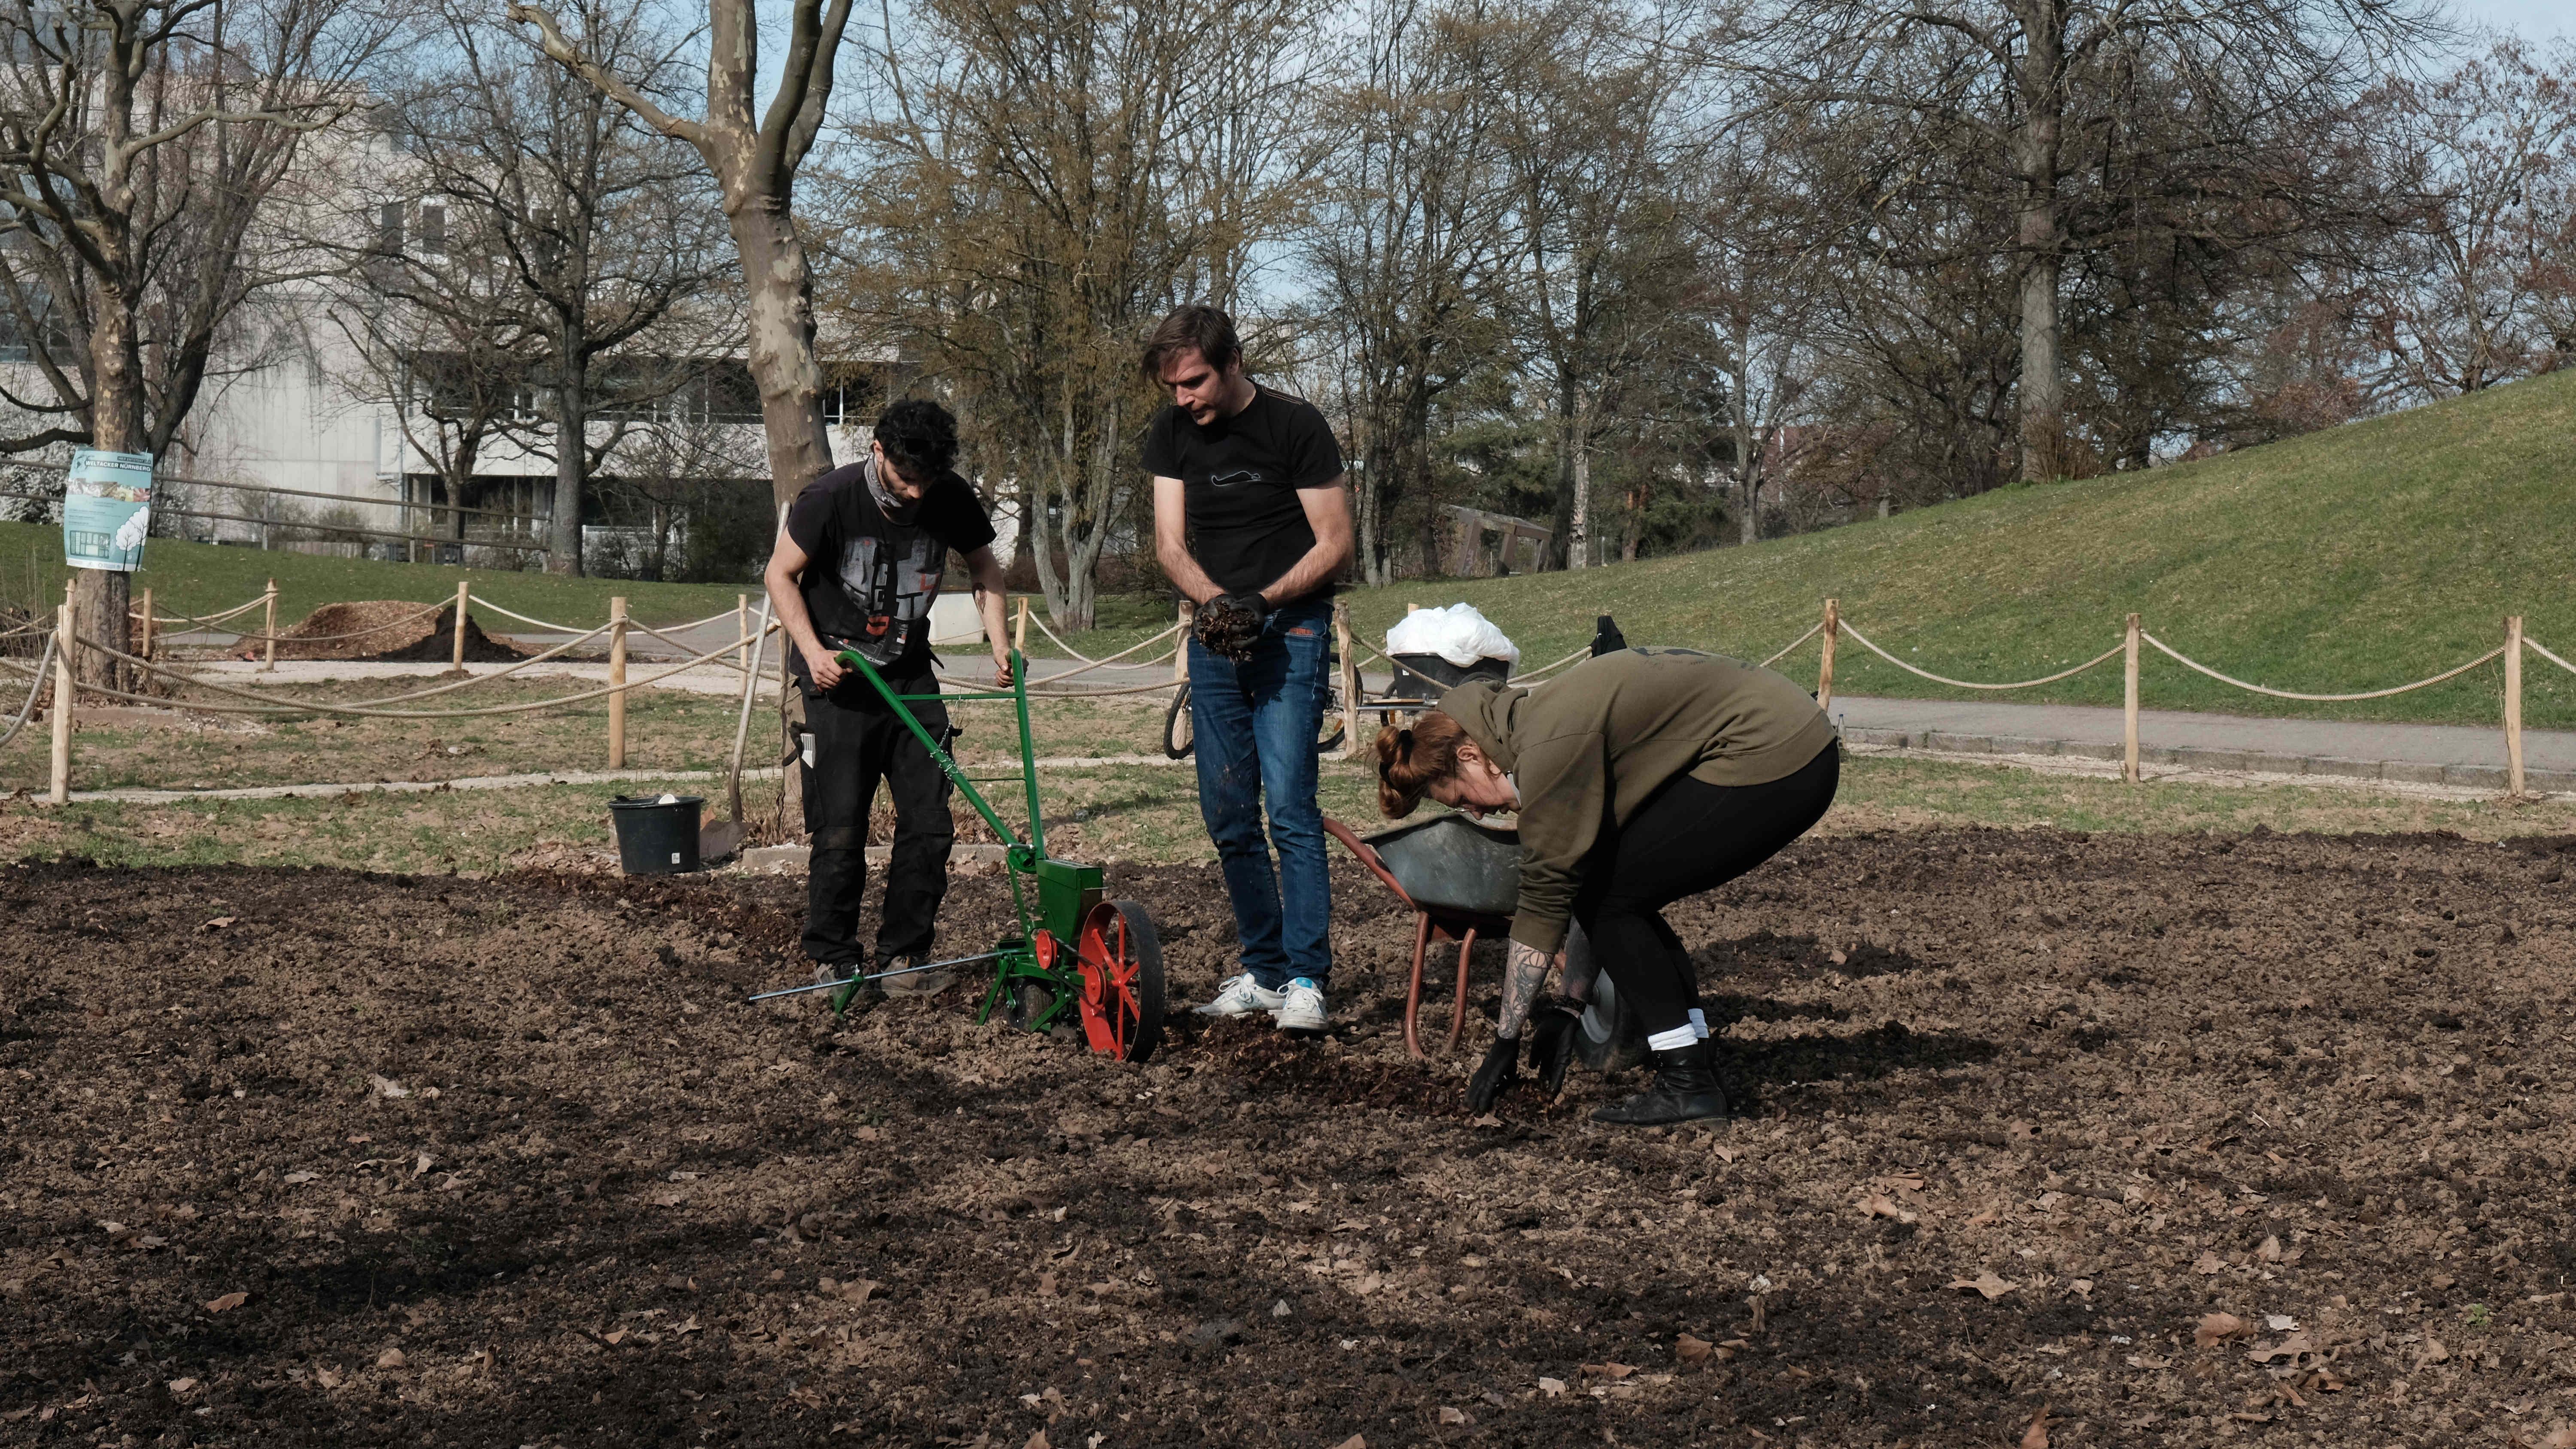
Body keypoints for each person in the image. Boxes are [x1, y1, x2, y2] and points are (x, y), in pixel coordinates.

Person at [1372, 647, 1840, 1125]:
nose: (1474, 812)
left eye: (1461, 798)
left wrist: (1504, 1042)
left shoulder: (1548, 748)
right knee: (1619, 890)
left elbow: (1544, 903)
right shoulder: (1536, 724)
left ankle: (1687, 1083)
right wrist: (1570, 1007)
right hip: (1787, 738)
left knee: (1614, 898)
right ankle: (1692, 1061)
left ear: (1470, 755)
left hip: (1776, 752)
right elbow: (1587, 877)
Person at [1141, 304, 1354, 1033]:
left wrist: (1259, 602)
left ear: (1232, 363)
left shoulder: (1297, 426)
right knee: (1228, 813)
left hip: (1292, 629)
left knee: (1290, 807)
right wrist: (1218, 608)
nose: (1184, 399)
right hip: (1216, 639)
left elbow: (1334, 544)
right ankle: (1262, 972)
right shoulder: (1172, 432)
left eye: (1195, 382)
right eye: (1173, 387)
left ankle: (1306, 978)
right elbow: (1170, 545)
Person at [764, 399, 1013, 1006]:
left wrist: (1002, 645)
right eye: (906, 478)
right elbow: (779, 575)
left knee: (930, 824)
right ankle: (834, 959)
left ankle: (905, 956)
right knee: (841, 827)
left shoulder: (947, 495)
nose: (917, 492)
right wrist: (813, 651)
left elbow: (984, 565)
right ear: (878, 452)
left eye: (927, 480)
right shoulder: (831, 498)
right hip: (839, 681)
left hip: (909, 677)